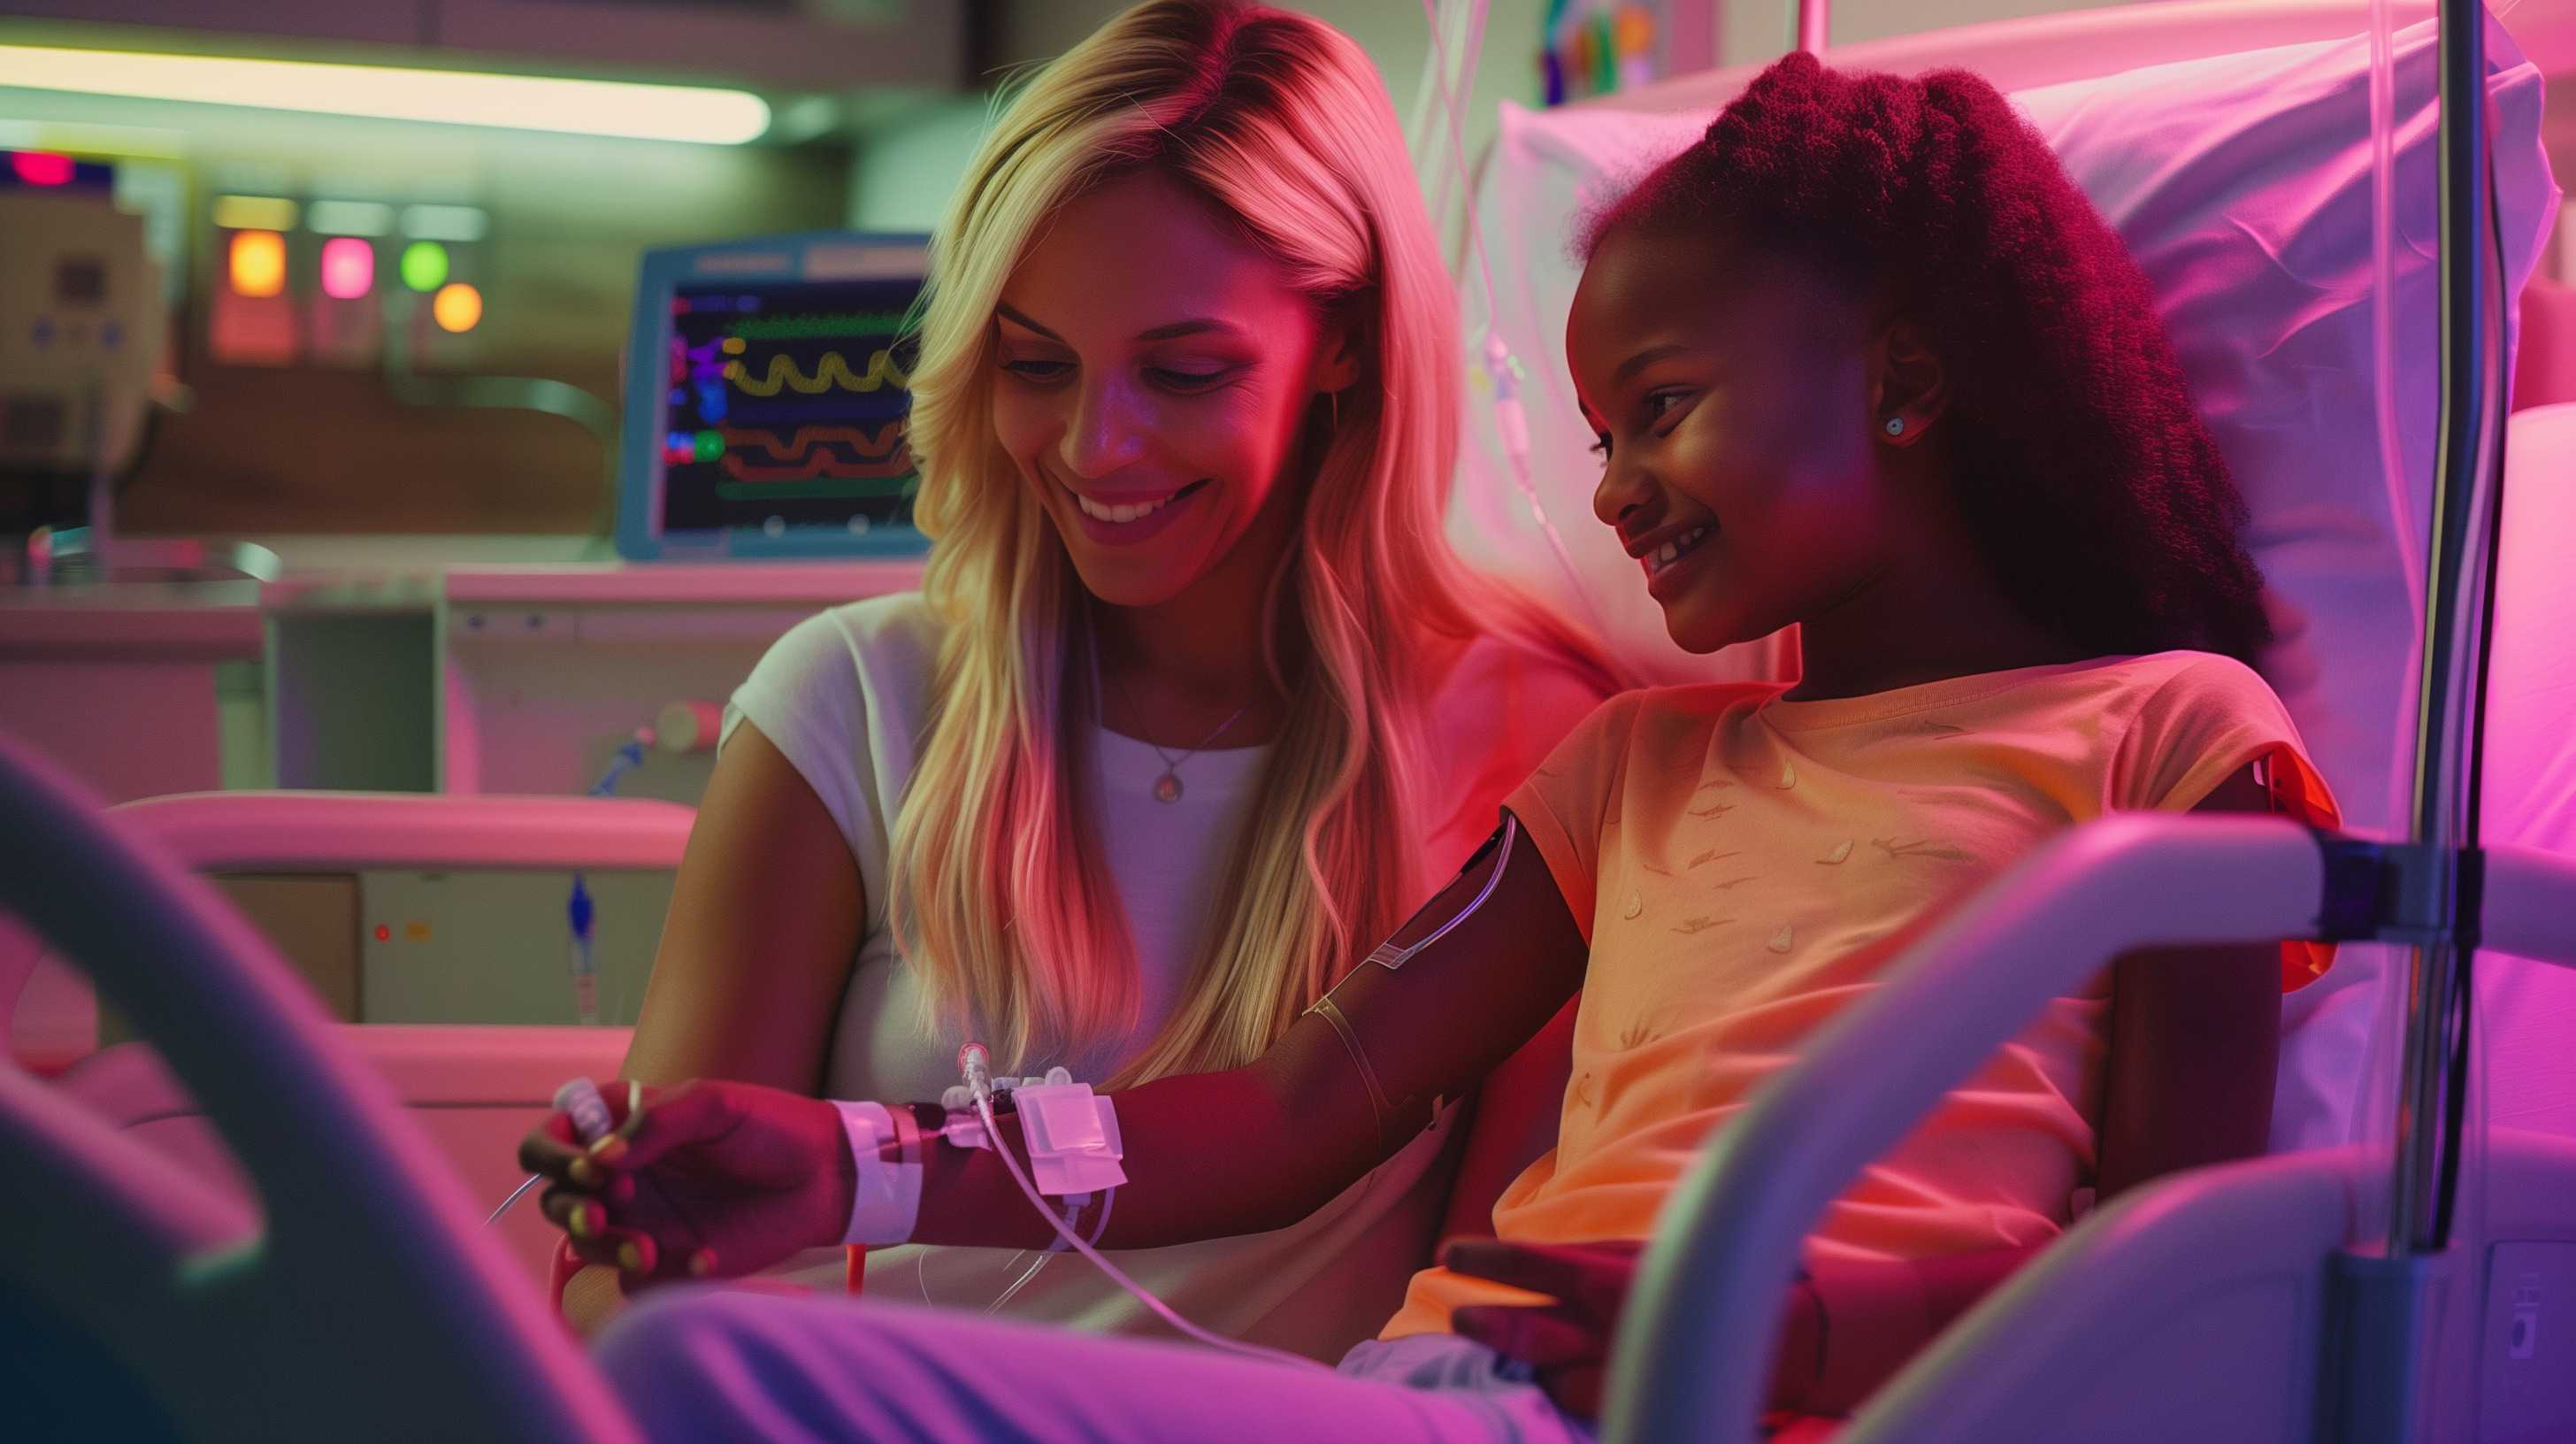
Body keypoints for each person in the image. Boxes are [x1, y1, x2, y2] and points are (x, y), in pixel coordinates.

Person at [525, 51, 2342, 1439]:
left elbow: (2173, 1270)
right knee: (714, 1356)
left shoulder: (2179, 741)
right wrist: (865, 1164)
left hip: (1734, 1384)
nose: (1614, 490)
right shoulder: (1629, 766)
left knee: (725, 1370)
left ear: (1905, 379)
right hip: (1452, 1392)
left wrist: (1764, 1328)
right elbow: (1291, 1106)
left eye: (1662, 413)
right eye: (1597, 432)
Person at [567, 0, 1614, 1355]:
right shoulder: (855, 705)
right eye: (1034, 365)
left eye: (1184, 372)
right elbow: (637, 1273)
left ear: (1343, 341)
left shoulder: (1540, 747)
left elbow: (1469, 1335)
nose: (1094, 446)